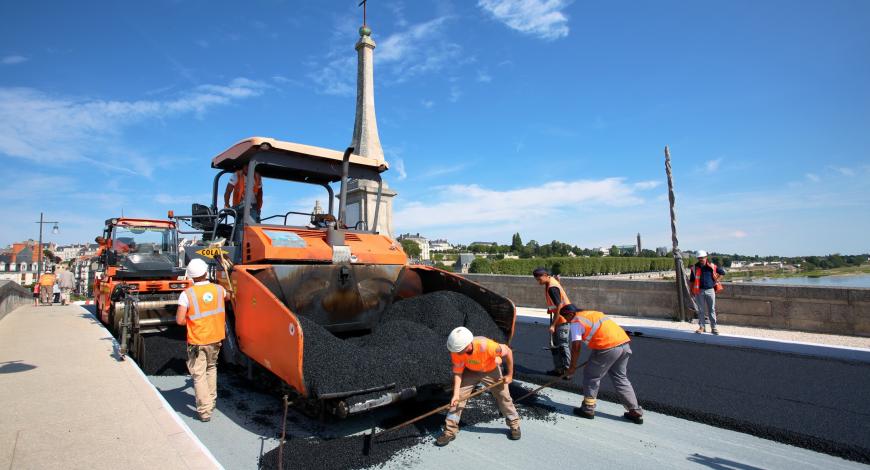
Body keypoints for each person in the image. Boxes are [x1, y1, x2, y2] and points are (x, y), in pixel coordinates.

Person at [436, 326, 521, 446]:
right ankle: (450, 431)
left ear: (468, 344)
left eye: (460, 350)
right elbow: (458, 373)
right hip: (471, 372)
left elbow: (508, 352)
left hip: (491, 370)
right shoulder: (456, 351)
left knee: (503, 396)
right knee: (458, 399)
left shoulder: (488, 346)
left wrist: (510, 375)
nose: (457, 353)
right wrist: (455, 394)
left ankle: (514, 424)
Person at [563, 307, 644, 424]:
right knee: (620, 378)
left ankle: (588, 409)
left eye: (566, 317)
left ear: (570, 314)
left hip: (607, 347)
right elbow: (601, 332)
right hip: (623, 344)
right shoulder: (593, 313)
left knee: (591, 375)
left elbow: (576, 347)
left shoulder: (576, 322)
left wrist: (572, 368)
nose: (566, 321)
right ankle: (634, 410)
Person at [175, 258, 227, 422]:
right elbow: (226, 298)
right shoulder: (219, 290)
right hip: (216, 337)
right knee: (211, 369)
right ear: (206, 272)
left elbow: (180, 320)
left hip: (198, 340)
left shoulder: (187, 294)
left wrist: (193, 322)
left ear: (190, 276)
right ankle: (210, 402)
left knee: (198, 375)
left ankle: (204, 411)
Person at [532, 268, 573, 377]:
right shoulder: (552, 282)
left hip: (563, 319)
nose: (538, 282)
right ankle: (558, 369)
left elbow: (559, 305)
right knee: (554, 345)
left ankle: (568, 371)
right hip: (558, 317)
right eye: (537, 280)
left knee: (563, 345)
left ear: (545, 275)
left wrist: (553, 325)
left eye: (539, 279)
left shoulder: (552, 287)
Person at [689, 250, 726, 335]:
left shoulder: (712, 266)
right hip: (699, 290)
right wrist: (691, 290)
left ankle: (714, 328)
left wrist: (716, 281)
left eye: (702, 258)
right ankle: (702, 327)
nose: (700, 259)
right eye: (699, 258)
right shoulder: (694, 267)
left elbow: (722, 273)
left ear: (706, 257)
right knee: (700, 310)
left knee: (711, 309)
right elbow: (691, 280)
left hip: (710, 290)